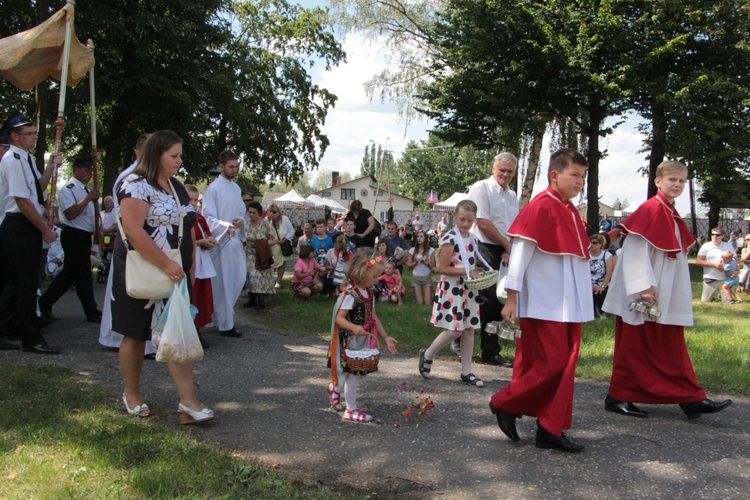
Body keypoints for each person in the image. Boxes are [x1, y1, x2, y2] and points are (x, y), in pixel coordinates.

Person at [602, 160, 732, 422]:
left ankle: (690, 398)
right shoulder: (651, 209)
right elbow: (636, 252)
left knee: (668, 344)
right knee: (637, 344)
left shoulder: (669, 211)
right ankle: (619, 395)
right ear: (658, 181)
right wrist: (644, 287)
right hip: (646, 292)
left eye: (682, 181)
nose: (677, 184)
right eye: (672, 179)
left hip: (664, 289)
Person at [489, 148, 593, 453]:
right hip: (544, 304)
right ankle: (503, 403)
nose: (579, 182)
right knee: (552, 364)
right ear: (554, 175)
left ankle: (550, 428)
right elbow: (518, 257)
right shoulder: (540, 207)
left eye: (583, 177)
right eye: (574, 175)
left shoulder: (570, 210)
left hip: (567, 306)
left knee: (564, 366)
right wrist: (512, 299)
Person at [112, 130, 213, 424]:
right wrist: (165, 265)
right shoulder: (134, 185)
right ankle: (132, 394)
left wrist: (188, 267)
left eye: (180, 155)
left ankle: (188, 402)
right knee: (135, 332)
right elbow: (133, 230)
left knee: (177, 331)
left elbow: (188, 228)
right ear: (156, 154)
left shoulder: (176, 186)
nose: (180, 161)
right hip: (141, 266)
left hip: (175, 269)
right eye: (175, 155)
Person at [0, 111, 61, 354]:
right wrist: (45, 229)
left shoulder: (26, 159)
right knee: (25, 283)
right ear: (14, 136)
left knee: (16, 283)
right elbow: (23, 201)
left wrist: (50, 166)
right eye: (29, 134)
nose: (34, 137)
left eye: (35, 133)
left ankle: (10, 327)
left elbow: (38, 189)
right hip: (19, 224)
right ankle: (31, 338)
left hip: (23, 224)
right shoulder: (13, 160)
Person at [99, 133, 156, 355]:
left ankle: (143, 339)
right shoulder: (130, 177)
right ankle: (120, 337)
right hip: (132, 243)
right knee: (128, 292)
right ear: (139, 153)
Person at [419, 200, 485, 387]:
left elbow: (471, 264)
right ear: (455, 216)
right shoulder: (449, 238)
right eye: (462, 219)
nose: (465, 223)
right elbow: (443, 268)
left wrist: (476, 272)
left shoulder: (473, 239)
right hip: (453, 289)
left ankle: (467, 372)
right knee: (455, 329)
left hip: (468, 289)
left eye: (469, 220)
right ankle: (429, 353)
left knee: (469, 329)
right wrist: (467, 271)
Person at [326, 252, 398, 422]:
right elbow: (339, 318)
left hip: (360, 340)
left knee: (352, 373)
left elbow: (374, 318)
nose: (377, 279)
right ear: (361, 274)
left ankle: (335, 389)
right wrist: (353, 327)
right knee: (350, 374)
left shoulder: (369, 294)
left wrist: (386, 337)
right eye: (374, 276)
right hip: (348, 341)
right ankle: (350, 410)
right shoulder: (351, 295)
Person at [464, 152, 519, 368]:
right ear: (493, 169)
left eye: (509, 171)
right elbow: (482, 222)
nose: (505, 174)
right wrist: (507, 245)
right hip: (484, 246)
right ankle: (466, 343)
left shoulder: (512, 195)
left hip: (505, 248)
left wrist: (510, 247)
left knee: (499, 298)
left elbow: (515, 225)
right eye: (502, 170)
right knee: (484, 298)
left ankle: (490, 349)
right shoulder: (481, 188)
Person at [38, 158, 102, 324]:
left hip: (84, 235)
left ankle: (44, 303)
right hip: (74, 234)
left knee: (69, 274)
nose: (89, 174)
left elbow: (94, 217)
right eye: (87, 169)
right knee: (83, 274)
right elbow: (70, 214)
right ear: (77, 168)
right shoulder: (68, 189)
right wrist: (88, 198)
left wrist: (98, 232)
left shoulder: (87, 190)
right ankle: (91, 310)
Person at [202, 150, 246, 337]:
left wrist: (240, 221)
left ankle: (222, 317)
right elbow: (207, 217)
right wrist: (225, 226)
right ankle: (226, 323)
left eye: (236, 166)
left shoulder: (236, 188)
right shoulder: (213, 189)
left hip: (234, 241)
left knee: (238, 280)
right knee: (223, 284)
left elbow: (242, 211)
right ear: (221, 166)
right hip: (221, 243)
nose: (234, 170)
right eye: (231, 167)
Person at [185, 184, 216, 347]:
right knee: (191, 296)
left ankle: (198, 329)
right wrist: (198, 242)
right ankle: (188, 332)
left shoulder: (200, 218)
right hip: (189, 263)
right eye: (190, 199)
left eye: (196, 200)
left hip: (203, 263)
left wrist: (210, 242)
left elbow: (208, 234)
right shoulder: (180, 217)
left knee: (202, 299)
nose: (193, 203)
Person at [244, 200, 277, 310]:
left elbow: (274, 239)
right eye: (250, 212)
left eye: (253, 212)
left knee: (259, 277)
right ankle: (252, 299)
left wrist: (262, 244)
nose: (251, 215)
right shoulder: (246, 223)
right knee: (250, 277)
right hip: (249, 254)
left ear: (259, 212)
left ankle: (261, 301)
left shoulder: (265, 224)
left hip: (262, 255)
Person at [696, 227, 735, 303]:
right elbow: (698, 261)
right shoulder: (705, 246)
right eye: (713, 234)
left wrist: (737, 270)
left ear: (722, 236)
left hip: (725, 279)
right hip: (710, 278)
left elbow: (736, 260)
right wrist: (714, 265)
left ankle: (722, 295)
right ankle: (715, 296)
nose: (714, 236)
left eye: (717, 235)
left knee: (728, 302)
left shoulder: (728, 246)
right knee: (705, 301)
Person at [268, 203, 294, 288]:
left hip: (282, 244)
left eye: (274, 212)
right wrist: (268, 220)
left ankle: (278, 281)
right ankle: (270, 280)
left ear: (278, 212)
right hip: (272, 245)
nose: (272, 214)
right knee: (271, 263)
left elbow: (291, 231)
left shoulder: (285, 219)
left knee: (281, 263)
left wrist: (284, 240)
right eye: (270, 212)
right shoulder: (267, 220)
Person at [589, 233, 614, 319]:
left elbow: (608, 273)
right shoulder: (586, 255)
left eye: (594, 243)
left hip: (602, 283)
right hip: (588, 284)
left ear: (600, 244)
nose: (591, 244)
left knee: (601, 293)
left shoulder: (607, 255)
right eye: (590, 242)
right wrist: (590, 286)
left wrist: (602, 286)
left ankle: (602, 313)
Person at [407, 230, 435, 305]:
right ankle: (417, 292)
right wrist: (415, 262)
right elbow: (409, 265)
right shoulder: (412, 250)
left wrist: (426, 262)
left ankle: (431, 294)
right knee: (420, 303)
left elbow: (433, 266)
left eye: (421, 236)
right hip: (416, 278)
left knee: (427, 303)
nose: (419, 238)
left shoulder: (431, 250)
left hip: (426, 277)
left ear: (425, 238)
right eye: (418, 237)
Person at [326, 233, 353, 299]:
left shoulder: (347, 252)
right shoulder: (342, 251)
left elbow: (350, 262)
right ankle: (338, 297)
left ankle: (342, 296)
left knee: (341, 286)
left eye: (336, 243)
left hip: (343, 272)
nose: (335, 245)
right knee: (338, 285)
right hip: (339, 271)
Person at [310, 218, 334, 293]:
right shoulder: (313, 241)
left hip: (328, 269)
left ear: (325, 227)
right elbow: (311, 257)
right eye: (317, 227)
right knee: (317, 285)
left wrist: (327, 268)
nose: (319, 229)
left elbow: (332, 256)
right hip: (317, 269)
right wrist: (319, 268)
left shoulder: (330, 240)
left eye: (321, 227)